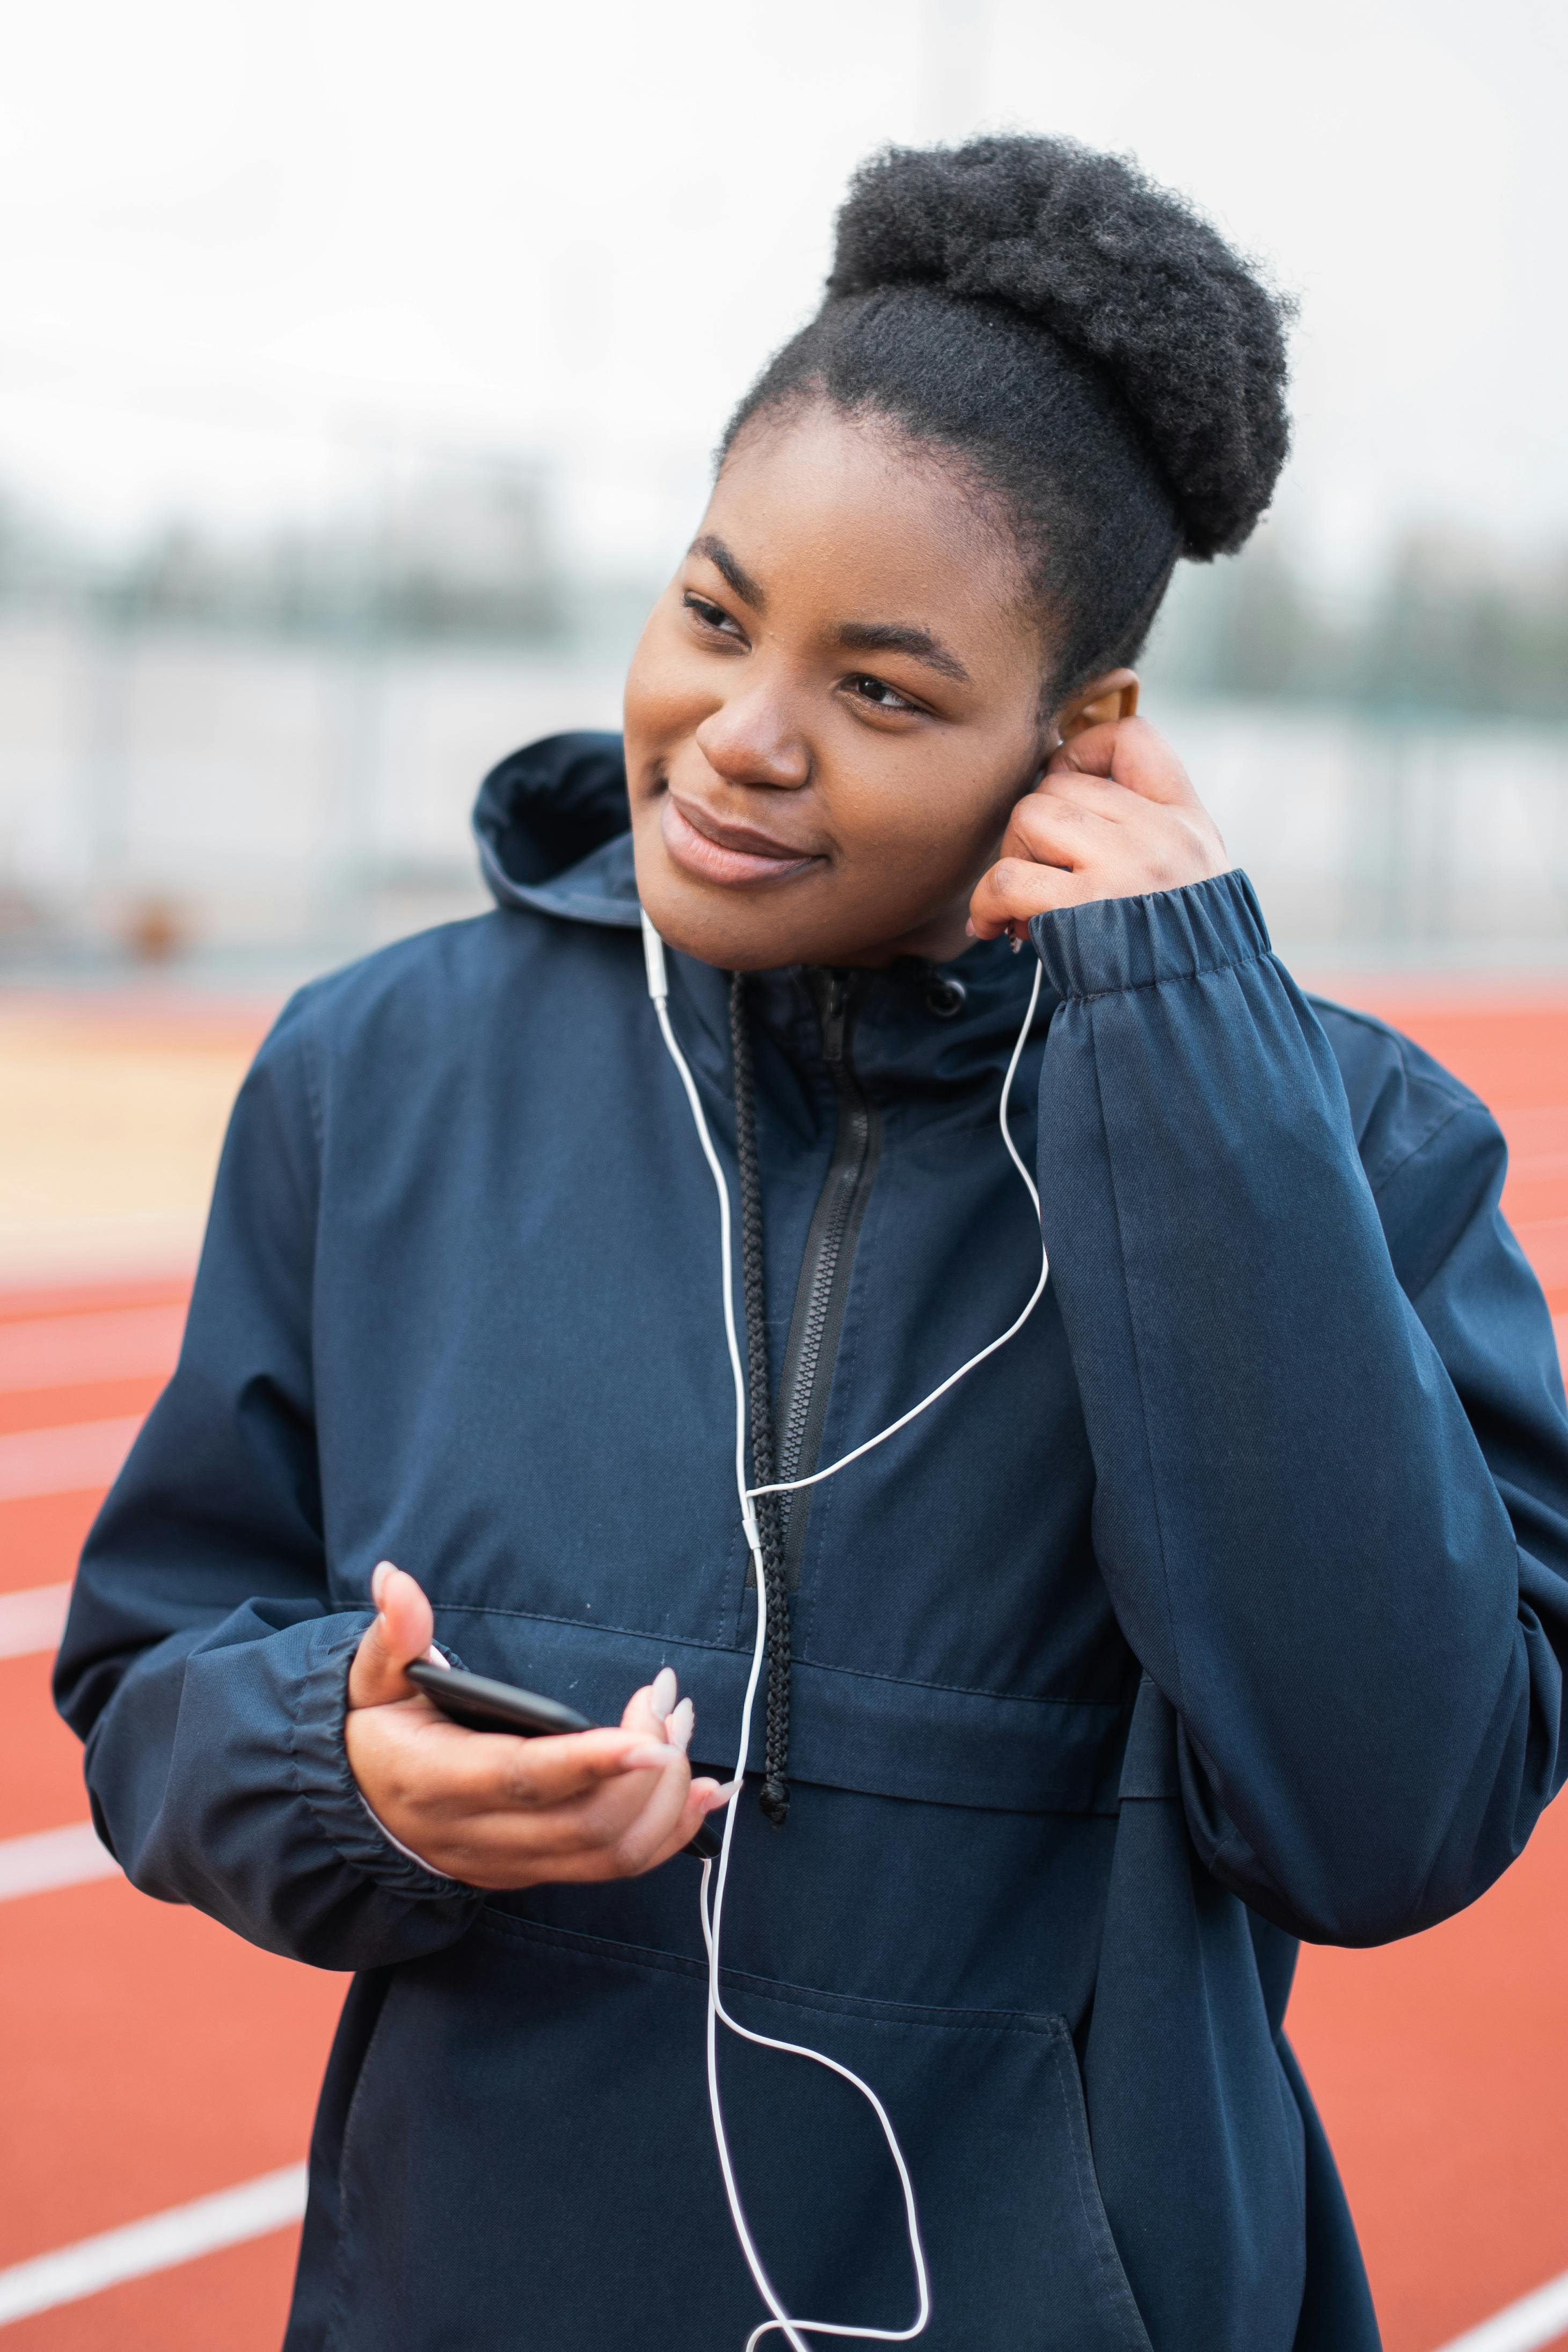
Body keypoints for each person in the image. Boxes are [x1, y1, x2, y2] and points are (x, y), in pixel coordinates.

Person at [56, 136, 1568, 2352]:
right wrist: (333, 1762)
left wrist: (1185, 1061)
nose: (736, 742)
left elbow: (1388, 1816)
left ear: (1078, 744)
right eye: (707, 610)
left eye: (878, 689)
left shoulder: (1334, 1143)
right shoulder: (371, 1074)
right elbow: (147, 1676)